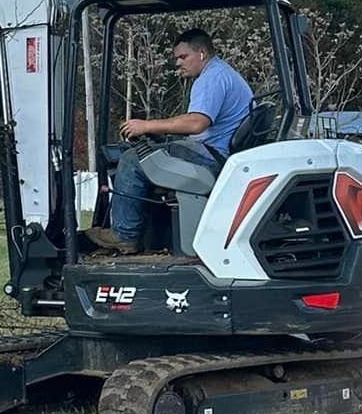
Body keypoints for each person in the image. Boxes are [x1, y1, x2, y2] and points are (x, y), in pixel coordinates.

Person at [88, 28, 254, 255]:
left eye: (183, 57)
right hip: (218, 152)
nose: (177, 63)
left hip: (210, 155)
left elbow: (196, 123)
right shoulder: (222, 73)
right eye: (176, 58)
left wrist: (146, 126)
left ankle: (125, 234)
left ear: (202, 53)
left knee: (131, 159)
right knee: (149, 152)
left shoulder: (211, 79)